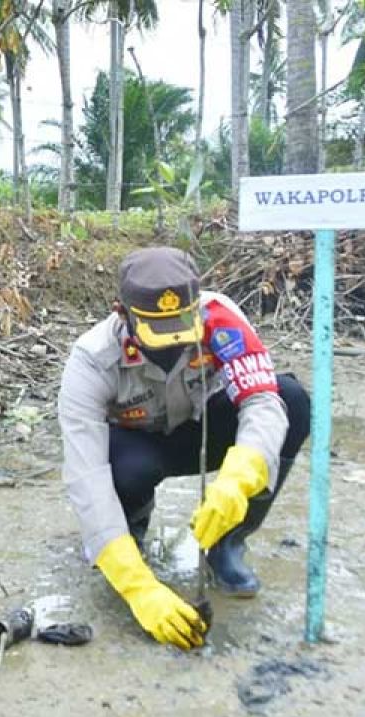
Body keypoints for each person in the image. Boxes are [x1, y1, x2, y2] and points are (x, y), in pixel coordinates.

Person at [59, 247, 310, 650]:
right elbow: (85, 476)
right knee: (124, 468)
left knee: (291, 400)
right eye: (160, 335)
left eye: (182, 328)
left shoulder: (221, 320)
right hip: (139, 446)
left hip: (203, 431)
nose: (173, 346)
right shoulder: (91, 361)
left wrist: (241, 475)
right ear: (123, 315)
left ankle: (227, 543)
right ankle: (129, 543)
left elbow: (262, 401)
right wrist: (138, 587)